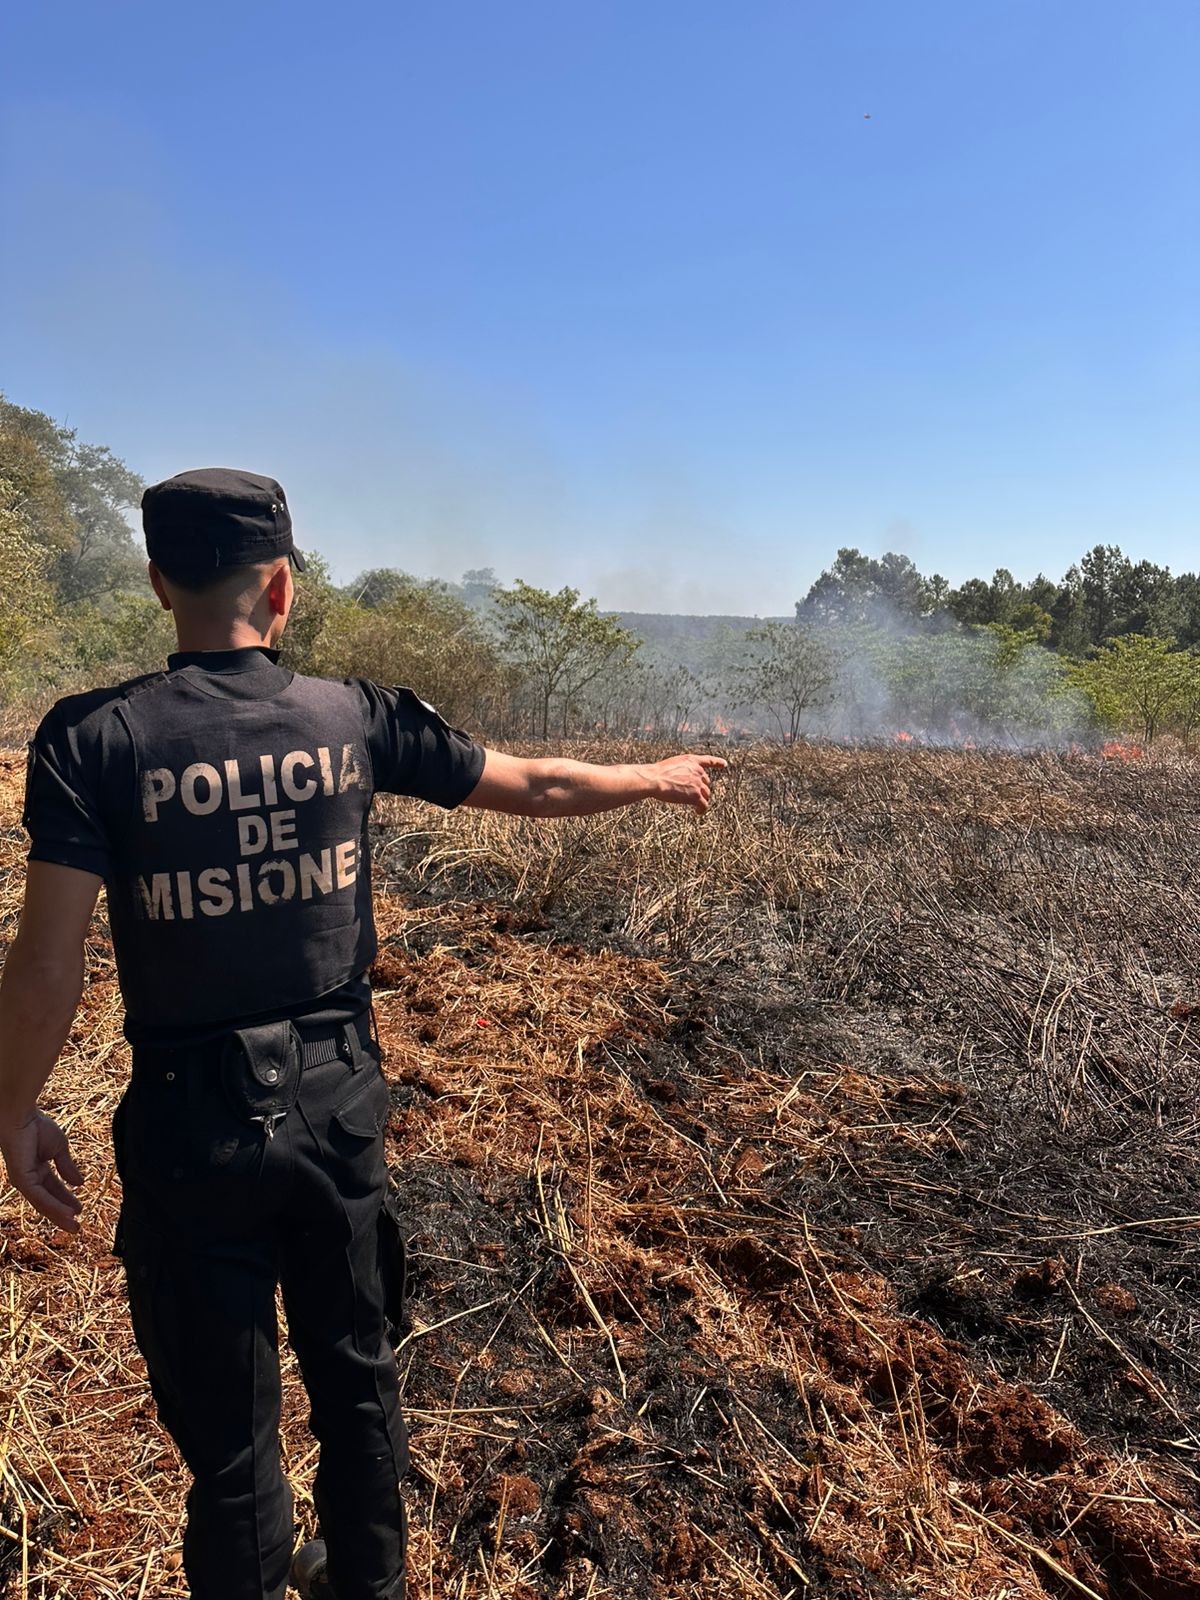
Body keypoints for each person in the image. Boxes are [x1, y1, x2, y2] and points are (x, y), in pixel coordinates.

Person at [0, 467, 725, 1600]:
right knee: (358, 1392)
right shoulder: (353, 716)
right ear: (282, 589)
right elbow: (532, 784)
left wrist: (11, 1102)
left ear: (156, 582)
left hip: (191, 1129)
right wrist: (658, 775)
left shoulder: (90, 740)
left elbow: (50, 957)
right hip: (338, 1116)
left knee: (232, 1447)